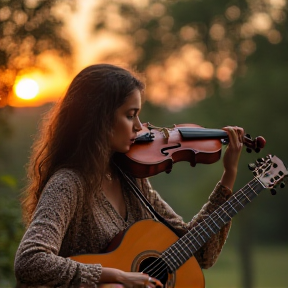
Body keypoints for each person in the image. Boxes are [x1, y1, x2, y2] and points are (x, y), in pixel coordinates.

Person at [14, 63, 244, 288]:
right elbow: (30, 260)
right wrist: (116, 276)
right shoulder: (69, 184)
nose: (139, 126)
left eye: (138, 115)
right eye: (130, 115)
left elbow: (199, 253)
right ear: (99, 119)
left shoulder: (132, 179)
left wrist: (229, 175)